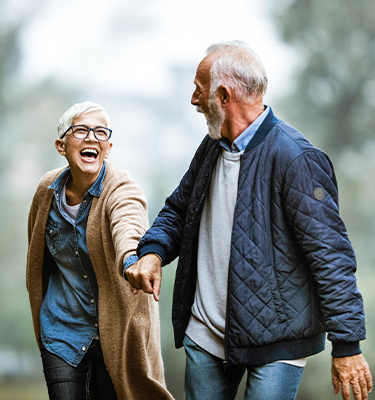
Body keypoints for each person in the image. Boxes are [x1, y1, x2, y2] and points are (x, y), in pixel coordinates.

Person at [125, 41, 372, 400]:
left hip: (279, 343)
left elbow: (330, 257)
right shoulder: (211, 147)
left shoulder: (297, 159)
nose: (193, 100)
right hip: (205, 336)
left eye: (198, 90)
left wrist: (347, 345)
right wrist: (152, 252)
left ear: (224, 96)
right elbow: (179, 210)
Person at [26, 101, 174, 400]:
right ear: (61, 144)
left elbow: (128, 226)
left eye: (100, 132)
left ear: (108, 147)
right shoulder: (47, 191)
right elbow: (37, 257)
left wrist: (132, 259)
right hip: (61, 328)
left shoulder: (121, 188)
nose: (91, 138)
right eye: (81, 130)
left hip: (114, 333)